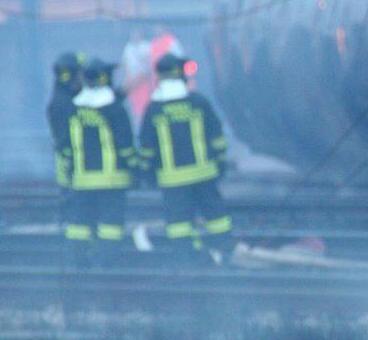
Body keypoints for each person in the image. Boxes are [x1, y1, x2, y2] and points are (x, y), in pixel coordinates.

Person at [138, 53, 232, 264]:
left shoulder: (153, 109)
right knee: (216, 217)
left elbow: (147, 148)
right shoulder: (198, 102)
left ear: (160, 77)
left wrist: (146, 174)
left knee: (179, 224)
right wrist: (221, 162)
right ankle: (225, 251)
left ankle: (188, 259)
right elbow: (217, 136)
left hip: (173, 181)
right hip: (205, 175)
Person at [61, 58, 136, 263]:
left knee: (80, 225)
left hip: (82, 181)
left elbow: (66, 146)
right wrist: (136, 169)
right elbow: (126, 145)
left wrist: (69, 176)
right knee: (110, 225)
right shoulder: (114, 109)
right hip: (112, 180)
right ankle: (107, 263)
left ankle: (78, 262)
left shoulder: (74, 108)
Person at [46, 52, 85, 234]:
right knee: (73, 201)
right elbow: (65, 140)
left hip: (67, 161)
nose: (82, 78)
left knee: (72, 199)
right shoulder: (64, 103)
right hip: (69, 162)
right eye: (79, 74)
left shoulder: (64, 98)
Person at [120, 29, 153, 125]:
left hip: (144, 83)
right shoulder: (128, 48)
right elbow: (125, 64)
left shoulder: (147, 46)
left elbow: (149, 66)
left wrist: (140, 79)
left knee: (144, 106)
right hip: (131, 83)